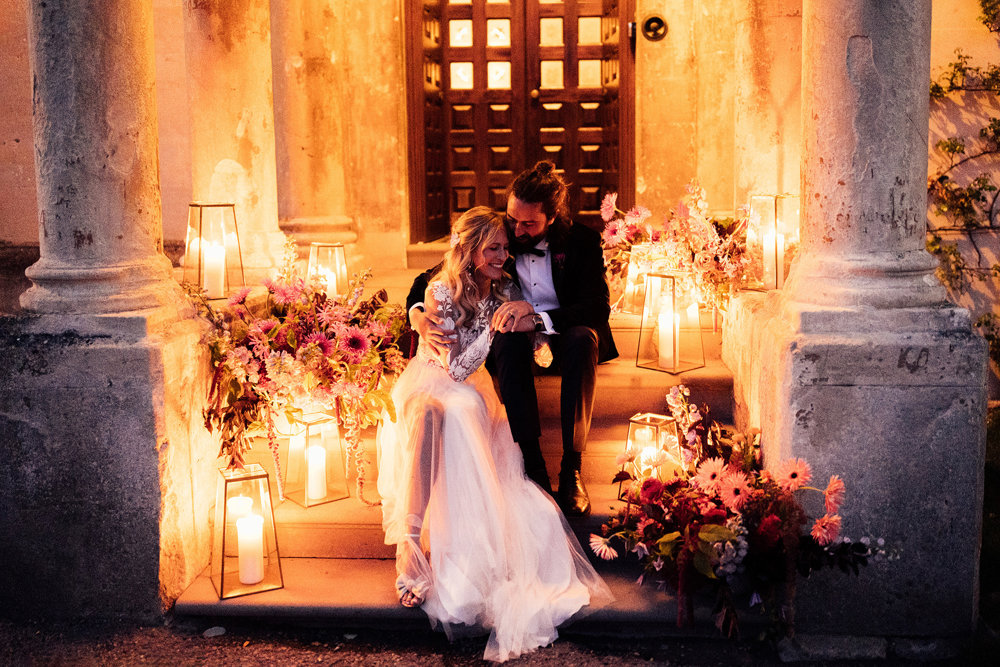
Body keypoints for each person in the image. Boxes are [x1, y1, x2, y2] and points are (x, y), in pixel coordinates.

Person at [377, 206, 612, 663]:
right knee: (439, 410)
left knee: (464, 410)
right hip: (436, 378)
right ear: (470, 251)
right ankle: (410, 545)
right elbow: (457, 366)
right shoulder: (442, 290)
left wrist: (533, 331)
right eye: (495, 248)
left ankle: (459, 547)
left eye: (506, 246)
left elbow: (534, 316)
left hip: (472, 389)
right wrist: (480, 327)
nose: (505, 254)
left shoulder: (503, 284)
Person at [407, 161, 617, 516]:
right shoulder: (501, 235)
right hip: (510, 335)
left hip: (562, 329)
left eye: (528, 223)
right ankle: (533, 466)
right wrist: (417, 315)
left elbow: (597, 306)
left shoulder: (582, 241)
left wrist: (538, 319)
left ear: (551, 217)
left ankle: (572, 468)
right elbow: (429, 279)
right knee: (505, 337)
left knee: (585, 340)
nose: (516, 231)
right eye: (512, 219)